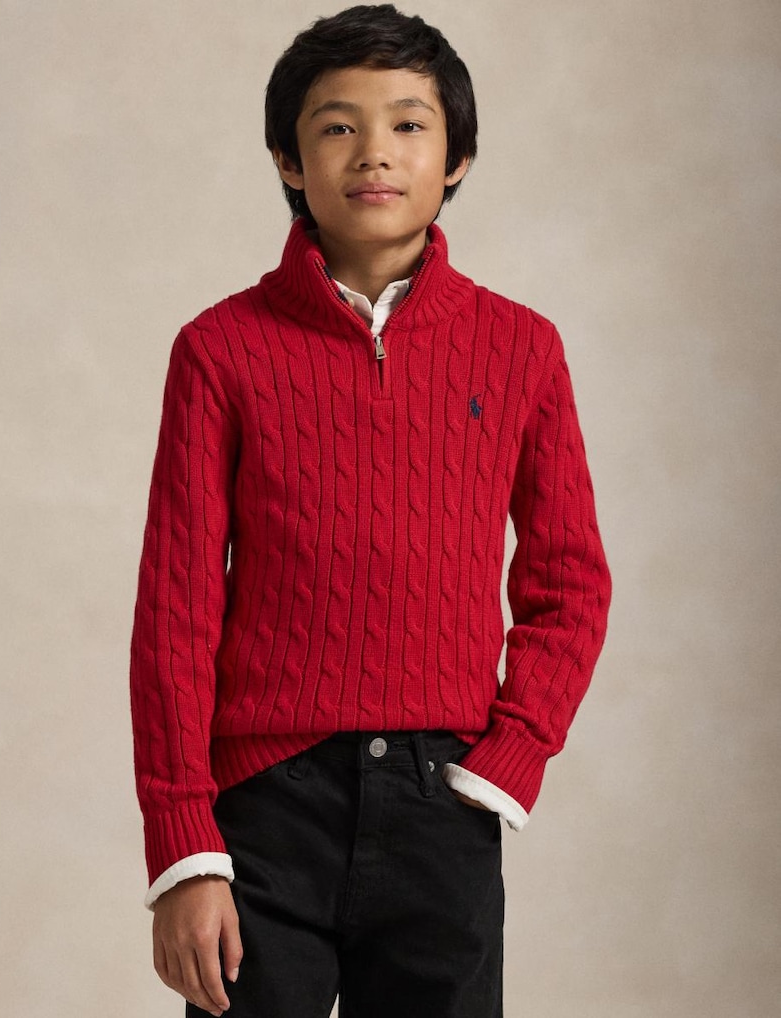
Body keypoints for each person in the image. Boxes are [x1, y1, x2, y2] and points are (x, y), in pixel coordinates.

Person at [129, 5, 611, 1016]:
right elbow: (176, 613)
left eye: (408, 123)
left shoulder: (522, 348)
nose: (374, 152)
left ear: (458, 157)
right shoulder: (219, 351)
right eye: (338, 125)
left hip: (446, 802)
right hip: (266, 805)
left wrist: (513, 750)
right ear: (288, 158)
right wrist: (184, 849)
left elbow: (570, 580)